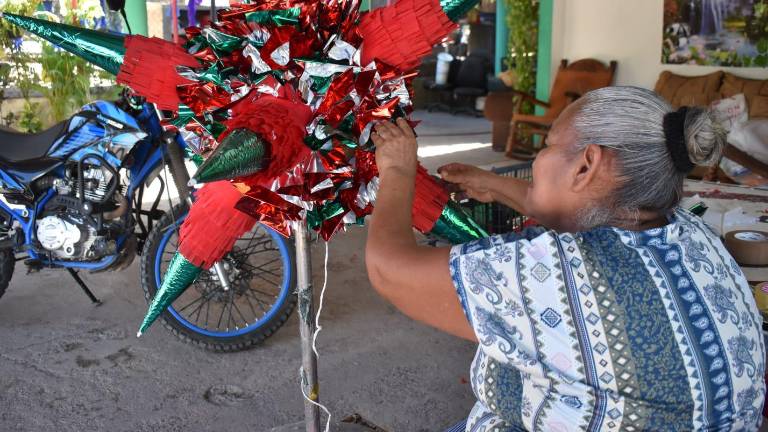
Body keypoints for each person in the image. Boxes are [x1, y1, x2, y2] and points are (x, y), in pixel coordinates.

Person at [366, 86, 765, 431]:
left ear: (587, 164)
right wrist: (492, 184)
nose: (539, 158)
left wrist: (398, 170)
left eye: (547, 146)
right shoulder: (694, 234)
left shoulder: (557, 273)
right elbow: (582, 206)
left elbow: (389, 269)